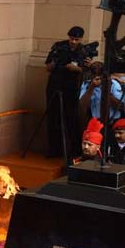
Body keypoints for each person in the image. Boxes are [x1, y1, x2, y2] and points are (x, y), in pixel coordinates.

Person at [44, 26, 92, 159]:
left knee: (71, 119)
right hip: (55, 85)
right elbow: (48, 66)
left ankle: (75, 150)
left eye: (76, 39)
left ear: (80, 38)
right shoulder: (59, 47)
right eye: (71, 38)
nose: (73, 42)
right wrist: (55, 64)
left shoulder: (84, 50)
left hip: (71, 88)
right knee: (53, 118)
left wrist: (76, 68)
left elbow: (87, 71)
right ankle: (54, 149)